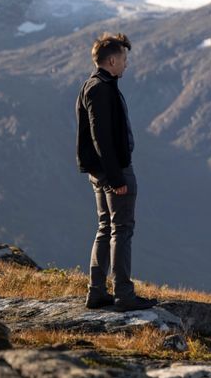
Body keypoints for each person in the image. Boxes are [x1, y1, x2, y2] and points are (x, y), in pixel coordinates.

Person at [76, 32, 157, 312]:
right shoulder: (101, 88)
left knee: (105, 228)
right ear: (111, 60)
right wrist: (116, 177)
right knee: (121, 229)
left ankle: (96, 292)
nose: (126, 64)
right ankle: (123, 294)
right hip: (114, 171)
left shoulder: (94, 85)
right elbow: (102, 137)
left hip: (101, 172)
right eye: (124, 59)